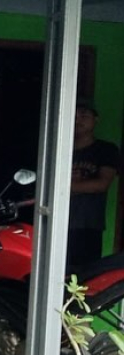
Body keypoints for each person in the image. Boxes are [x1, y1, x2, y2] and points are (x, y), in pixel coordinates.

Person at [69, 102, 120, 267]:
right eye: (74, 115)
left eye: (84, 115)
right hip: (56, 221)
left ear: (95, 119)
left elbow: (102, 184)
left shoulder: (105, 150)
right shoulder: (58, 149)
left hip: (88, 224)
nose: (78, 120)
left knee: (84, 274)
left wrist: (62, 187)